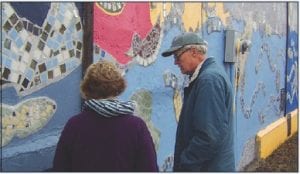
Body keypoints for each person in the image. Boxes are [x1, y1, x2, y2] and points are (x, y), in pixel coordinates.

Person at [52, 60, 158, 172]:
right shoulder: (137, 126)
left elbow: (60, 168)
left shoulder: (74, 126)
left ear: (87, 89)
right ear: (118, 87)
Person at [161, 32, 235, 172]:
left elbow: (209, 136)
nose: (175, 62)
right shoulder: (210, 75)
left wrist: (186, 163)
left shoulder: (209, 81)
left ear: (194, 52)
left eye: (177, 56)